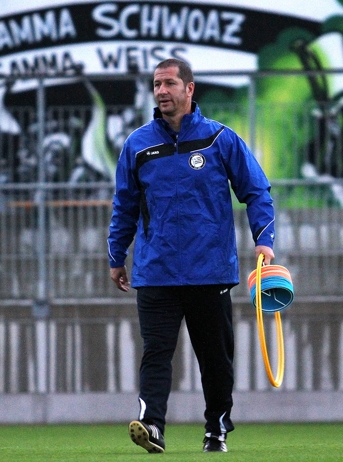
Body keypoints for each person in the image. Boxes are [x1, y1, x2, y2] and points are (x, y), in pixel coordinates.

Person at [107, 58, 275, 454]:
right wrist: (117, 256)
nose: (161, 91)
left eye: (168, 83)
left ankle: (216, 428)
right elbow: (124, 206)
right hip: (155, 271)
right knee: (156, 354)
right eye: (156, 84)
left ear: (189, 89)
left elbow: (257, 191)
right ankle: (152, 426)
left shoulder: (220, 139)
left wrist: (264, 240)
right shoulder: (137, 144)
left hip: (210, 271)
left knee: (216, 362)